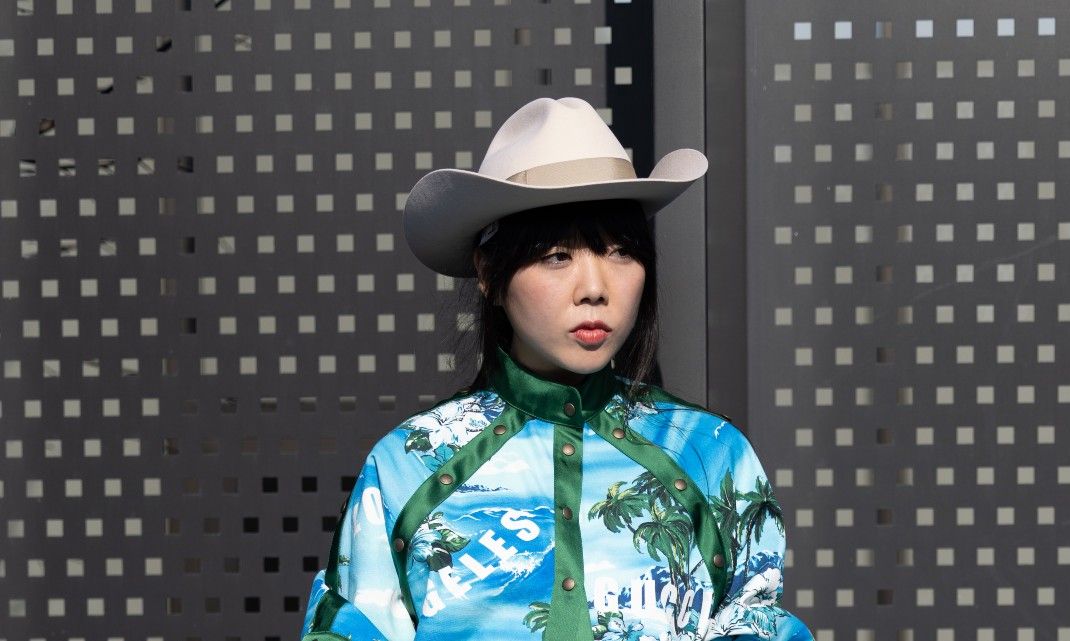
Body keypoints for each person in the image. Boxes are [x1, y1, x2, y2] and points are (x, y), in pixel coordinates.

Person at [300, 97, 813, 641]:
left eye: (620, 251)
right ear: (487, 272)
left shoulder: (709, 454)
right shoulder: (408, 465)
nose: (595, 288)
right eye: (557, 256)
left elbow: (757, 622)